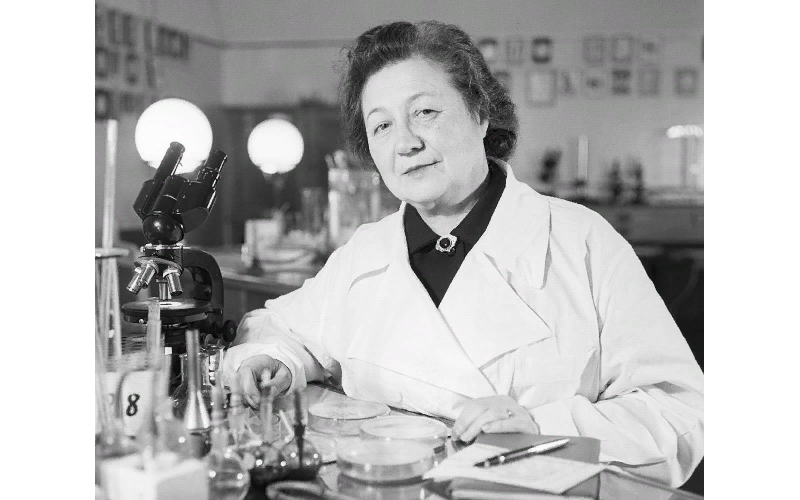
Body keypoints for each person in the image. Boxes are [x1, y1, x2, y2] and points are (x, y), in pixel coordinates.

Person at [222, 20, 703, 487]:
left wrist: (543, 426)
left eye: (425, 112)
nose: (406, 143)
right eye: (382, 125)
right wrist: (273, 361)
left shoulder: (581, 241)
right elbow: (282, 329)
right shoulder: (365, 252)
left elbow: (679, 412)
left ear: (480, 113)